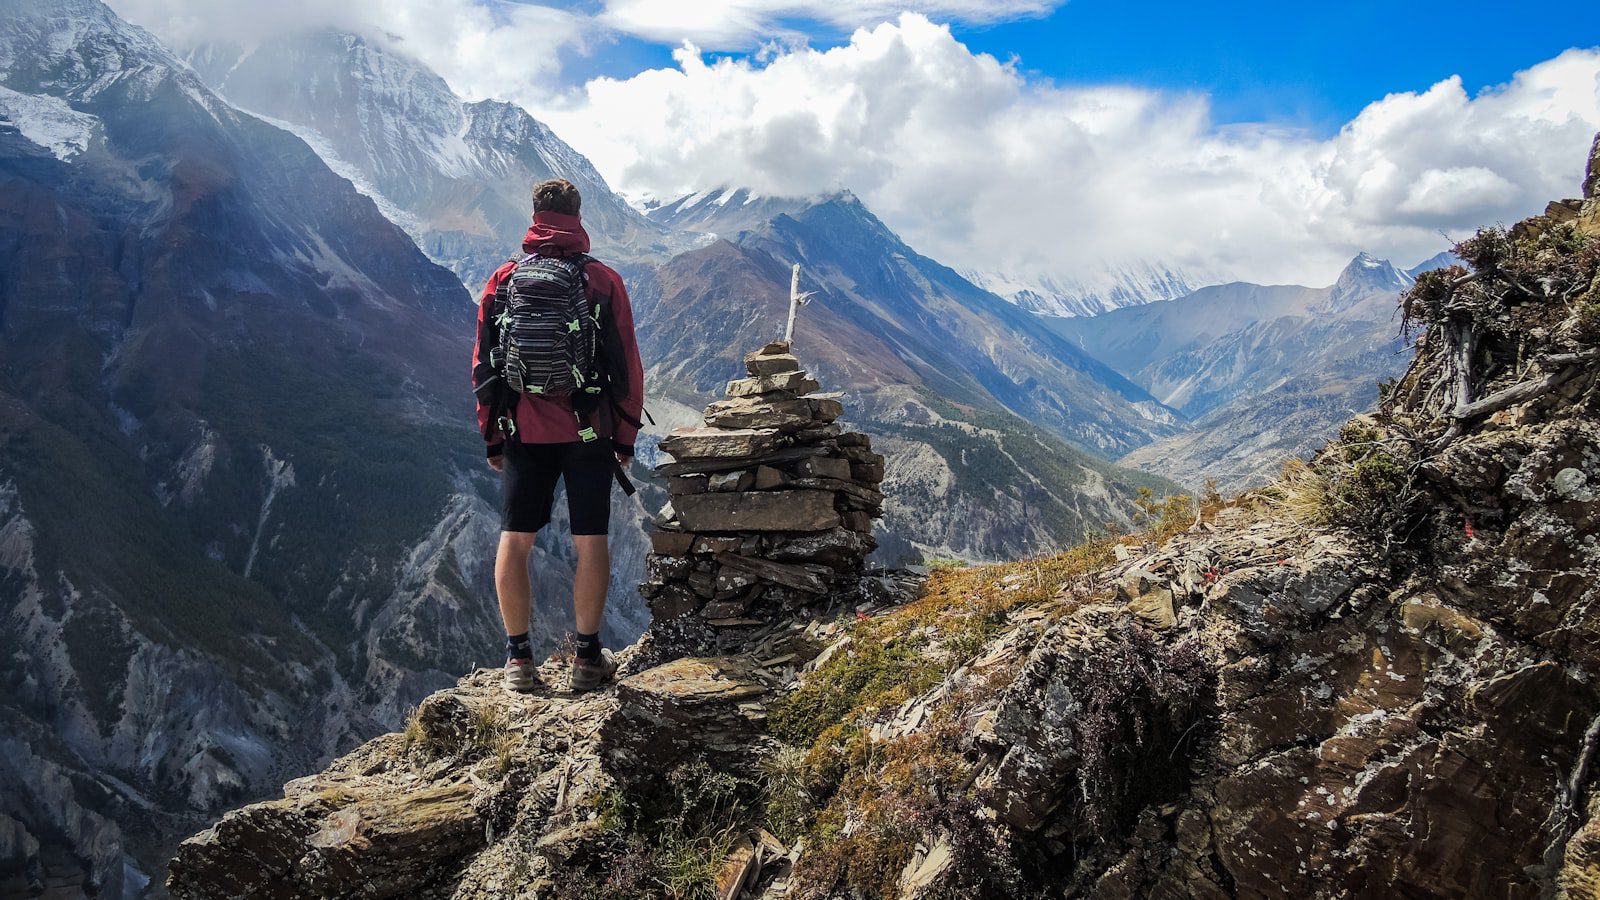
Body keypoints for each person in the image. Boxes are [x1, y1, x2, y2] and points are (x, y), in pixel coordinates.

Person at [471, 179, 644, 693]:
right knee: (591, 543)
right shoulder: (603, 281)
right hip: (589, 432)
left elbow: (484, 366)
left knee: (516, 540)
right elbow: (627, 366)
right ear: (579, 215)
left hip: (523, 429)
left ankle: (519, 661)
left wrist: (493, 437)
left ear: (534, 216)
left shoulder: (503, 281)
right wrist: (626, 437)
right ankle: (587, 658)